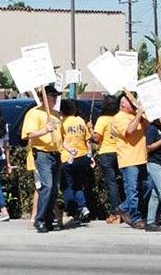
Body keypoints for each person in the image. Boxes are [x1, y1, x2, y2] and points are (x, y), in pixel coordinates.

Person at [22, 86, 63, 233]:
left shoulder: (56, 114)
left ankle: (46, 219)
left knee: (54, 189)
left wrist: (67, 148)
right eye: (53, 96)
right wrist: (45, 130)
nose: (55, 99)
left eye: (56, 96)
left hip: (56, 153)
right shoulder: (34, 113)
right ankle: (39, 219)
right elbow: (29, 134)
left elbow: (60, 136)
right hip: (42, 153)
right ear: (44, 97)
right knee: (47, 186)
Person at [110, 93, 148, 230]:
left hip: (141, 158)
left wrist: (141, 112)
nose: (134, 105)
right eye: (132, 103)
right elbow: (129, 131)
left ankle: (123, 207)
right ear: (123, 104)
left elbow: (146, 125)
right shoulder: (117, 118)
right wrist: (139, 115)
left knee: (147, 186)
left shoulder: (134, 116)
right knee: (132, 191)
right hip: (128, 159)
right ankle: (135, 218)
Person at [59, 99, 91, 223]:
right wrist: (90, 155)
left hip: (68, 157)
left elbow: (61, 141)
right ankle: (83, 207)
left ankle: (72, 211)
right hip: (82, 156)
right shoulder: (80, 120)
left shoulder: (62, 123)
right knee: (78, 184)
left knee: (67, 186)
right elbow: (87, 140)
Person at [92, 95, 122, 224]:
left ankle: (116, 213)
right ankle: (125, 210)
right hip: (120, 152)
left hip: (106, 152)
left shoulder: (102, 119)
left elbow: (97, 138)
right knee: (122, 183)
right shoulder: (118, 118)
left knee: (112, 184)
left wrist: (90, 129)